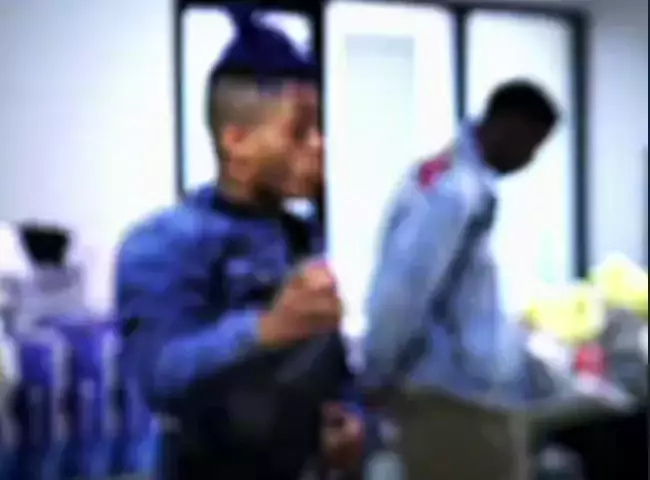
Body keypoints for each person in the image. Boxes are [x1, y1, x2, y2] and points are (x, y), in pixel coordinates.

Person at [116, 7, 365, 480]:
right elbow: (157, 377)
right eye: (299, 131)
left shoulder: (298, 235)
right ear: (237, 141)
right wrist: (267, 329)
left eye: (320, 129)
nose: (319, 146)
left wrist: (347, 415)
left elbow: (327, 364)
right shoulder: (163, 244)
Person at [363, 79, 559, 400]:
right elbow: (404, 288)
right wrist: (377, 372)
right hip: (446, 388)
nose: (530, 158)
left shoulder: (456, 177)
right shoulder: (454, 192)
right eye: (532, 145)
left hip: (459, 380)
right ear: (510, 126)